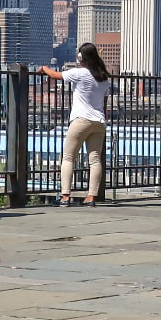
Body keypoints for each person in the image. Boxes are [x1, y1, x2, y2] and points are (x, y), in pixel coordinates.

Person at [38, 44, 111, 207]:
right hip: (99, 122)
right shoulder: (104, 77)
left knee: (68, 157)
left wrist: (43, 68)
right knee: (95, 160)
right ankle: (91, 196)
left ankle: (65, 196)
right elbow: (104, 104)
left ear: (81, 58)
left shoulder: (80, 73)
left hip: (80, 120)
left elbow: (55, 75)